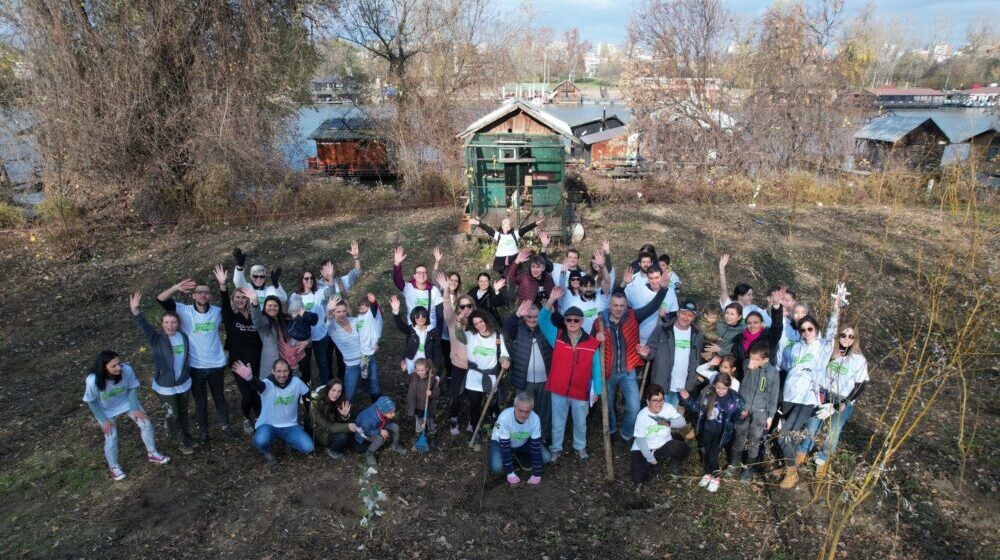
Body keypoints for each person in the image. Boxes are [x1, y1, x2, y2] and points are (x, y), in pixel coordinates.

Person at [591, 276, 669, 444]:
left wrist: (662, 289)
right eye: (615, 305)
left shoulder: (634, 316)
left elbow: (653, 306)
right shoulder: (599, 322)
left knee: (634, 408)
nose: (619, 309)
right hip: (608, 371)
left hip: (628, 371)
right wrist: (596, 339)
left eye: (622, 306)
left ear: (626, 306)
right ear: (609, 306)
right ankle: (611, 429)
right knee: (608, 405)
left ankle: (626, 434)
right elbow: (590, 346)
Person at [156, 275, 232, 443]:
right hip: (196, 366)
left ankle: (226, 428)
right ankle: (204, 432)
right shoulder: (184, 311)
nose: (202, 295)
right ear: (193, 296)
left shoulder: (217, 312)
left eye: (206, 292)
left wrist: (222, 285)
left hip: (216, 364)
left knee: (219, 397)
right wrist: (176, 287)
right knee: (201, 401)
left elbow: (229, 311)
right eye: (199, 292)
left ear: (210, 296)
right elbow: (160, 299)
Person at [776, 300, 840, 489]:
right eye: (802, 330)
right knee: (791, 437)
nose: (806, 333)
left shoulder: (822, 347)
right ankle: (789, 464)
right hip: (789, 395)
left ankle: (792, 472)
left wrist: (836, 311)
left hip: (806, 398)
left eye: (809, 329)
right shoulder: (795, 347)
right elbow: (788, 367)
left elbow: (831, 333)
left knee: (784, 436)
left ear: (816, 329)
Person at [84, 351, 170, 481]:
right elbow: (91, 401)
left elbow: (132, 388)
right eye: (113, 366)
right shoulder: (93, 381)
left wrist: (135, 408)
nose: (118, 368)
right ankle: (113, 467)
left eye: (119, 364)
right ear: (104, 368)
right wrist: (104, 420)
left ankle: (152, 453)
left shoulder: (127, 370)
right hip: (104, 409)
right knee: (111, 436)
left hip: (126, 402)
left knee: (145, 423)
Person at [538, 288, 603, 462]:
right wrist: (551, 300)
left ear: (582, 322)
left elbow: (596, 368)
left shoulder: (592, 343)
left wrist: (597, 390)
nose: (572, 322)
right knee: (557, 423)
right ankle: (556, 448)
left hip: (581, 390)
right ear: (565, 322)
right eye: (569, 320)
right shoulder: (557, 337)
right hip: (558, 388)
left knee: (580, 422)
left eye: (576, 320)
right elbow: (542, 320)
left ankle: (580, 447)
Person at [130, 291, 195, 455]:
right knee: (172, 414)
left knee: (183, 411)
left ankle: (187, 437)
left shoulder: (184, 337)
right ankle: (178, 440)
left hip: (183, 383)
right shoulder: (157, 339)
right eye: (166, 322)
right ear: (162, 324)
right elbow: (144, 325)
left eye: (173, 322)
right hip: (165, 386)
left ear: (178, 324)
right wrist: (136, 310)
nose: (170, 325)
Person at [809, 326, 869, 479]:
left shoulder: (859, 360)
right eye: (843, 335)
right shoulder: (829, 351)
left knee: (832, 432)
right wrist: (830, 359)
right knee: (812, 426)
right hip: (823, 394)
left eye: (851, 336)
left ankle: (822, 461)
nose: (846, 339)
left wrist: (845, 402)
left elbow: (860, 385)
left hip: (843, 398)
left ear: (855, 339)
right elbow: (816, 370)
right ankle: (801, 454)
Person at [233, 359, 312, 466]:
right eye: (278, 371)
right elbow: (259, 385)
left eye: (285, 371)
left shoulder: (296, 382)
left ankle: (288, 440)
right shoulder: (267, 384)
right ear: (273, 371)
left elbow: (309, 395)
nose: (282, 375)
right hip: (268, 425)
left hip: (290, 426)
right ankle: (267, 452)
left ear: (289, 371)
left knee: (308, 447)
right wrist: (250, 378)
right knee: (260, 440)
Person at [216, 266, 263, 435]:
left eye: (243, 297)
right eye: (237, 297)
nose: (241, 300)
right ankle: (246, 417)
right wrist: (223, 286)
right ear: (233, 299)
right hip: (239, 363)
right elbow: (224, 304)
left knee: (257, 391)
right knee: (247, 394)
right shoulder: (231, 318)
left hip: (256, 361)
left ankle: (259, 416)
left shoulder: (253, 317)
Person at [680, 372, 744, 493]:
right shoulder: (708, 395)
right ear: (714, 385)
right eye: (718, 387)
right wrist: (688, 399)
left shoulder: (734, 400)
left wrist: (742, 416)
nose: (720, 391)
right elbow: (697, 408)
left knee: (713, 456)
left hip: (720, 435)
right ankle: (707, 473)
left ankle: (716, 478)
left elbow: (737, 419)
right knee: (705, 453)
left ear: (728, 387)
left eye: (724, 388)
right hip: (707, 431)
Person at [730, 341, 780, 482]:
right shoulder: (747, 364)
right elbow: (745, 371)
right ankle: (734, 463)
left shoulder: (773, 372)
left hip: (761, 411)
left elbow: (774, 395)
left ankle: (749, 468)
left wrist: (770, 415)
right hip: (744, 407)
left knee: (755, 439)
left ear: (765, 359)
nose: (752, 361)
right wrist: (749, 366)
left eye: (756, 359)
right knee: (740, 434)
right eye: (751, 357)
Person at [504, 300, 554, 443]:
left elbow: (560, 325)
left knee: (545, 410)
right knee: (523, 410)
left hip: (545, 379)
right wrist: (517, 314)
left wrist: (550, 307)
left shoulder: (545, 328)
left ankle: (544, 436)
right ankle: (524, 437)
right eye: (529, 317)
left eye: (535, 316)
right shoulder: (518, 329)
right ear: (524, 317)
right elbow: (507, 326)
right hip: (524, 380)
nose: (533, 320)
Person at [639, 300, 704, 407]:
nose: (686, 317)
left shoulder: (697, 334)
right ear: (678, 313)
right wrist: (646, 353)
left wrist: (691, 382)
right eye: (683, 313)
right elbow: (651, 351)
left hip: (683, 387)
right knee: (659, 417)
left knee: (670, 418)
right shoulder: (663, 329)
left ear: (693, 318)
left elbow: (695, 359)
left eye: (690, 315)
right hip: (662, 384)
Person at [316, 240, 363, 381]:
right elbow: (328, 296)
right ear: (321, 272)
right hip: (327, 326)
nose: (329, 271)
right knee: (327, 357)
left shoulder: (341, 282)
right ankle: (329, 384)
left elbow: (357, 273)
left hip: (343, 324)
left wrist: (356, 257)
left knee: (342, 355)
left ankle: (343, 381)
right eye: (326, 269)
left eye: (331, 268)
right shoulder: (317, 287)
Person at [244, 289, 309, 382]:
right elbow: (256, 320)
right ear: (265, 307)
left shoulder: (287, 319)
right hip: (279, 363)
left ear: (279, 308)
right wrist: (255, 303)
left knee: (302, 383)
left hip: (299, 358)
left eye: (275, 306)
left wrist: (307, 341)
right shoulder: (264, 322)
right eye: (269, 305)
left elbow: (305, 330)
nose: (272, 308)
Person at [325, 295, 381, 404]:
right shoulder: (332, 328)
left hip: (368, 358)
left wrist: (375, 344)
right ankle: (341, 416)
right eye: (338, 312)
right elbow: (329, 320)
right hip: (352, 365)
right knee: (348, 394)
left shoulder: (355, 320)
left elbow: (369, 330)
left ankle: (380, 412)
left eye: (344, 311)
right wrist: (328, 310)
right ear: (334, 312)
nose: (342, 314)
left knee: (374, 387)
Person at [630, 384, 689, 484]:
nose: (658, 403)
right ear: (648, 402)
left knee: (684, 448)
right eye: (654, 400)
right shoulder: (642, 415)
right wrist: (650, 458)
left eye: (661, 400)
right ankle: (652, 461)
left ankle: (674, 461)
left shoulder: (668, 407)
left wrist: (666, 422)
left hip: (663, 444)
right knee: (638, 479)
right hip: (644, 447)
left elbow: (682, 422)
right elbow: (640, 440)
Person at [463, 310, 511, 434]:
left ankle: (497, 430)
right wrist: (458, 319)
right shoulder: (469, 335)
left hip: (491, 377)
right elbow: (457, 334)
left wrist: (505, 361)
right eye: (476, 324)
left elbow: (503, 354)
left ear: (486, 320)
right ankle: (475, 430)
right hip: (474, 377)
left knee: (493, 405)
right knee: (474, 406)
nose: (479, 325)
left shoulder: (497, 337)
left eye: (481, 322)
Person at [440, 273, 476, 435]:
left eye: (469, 306)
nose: (466, 309)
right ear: (458, 308)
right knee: (457, 396)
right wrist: (446, 290)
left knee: (474, 397)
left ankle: (472, 420)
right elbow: (447, 304)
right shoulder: (452, 320)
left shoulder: (478, 322)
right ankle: (453, 419)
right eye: (462, 306)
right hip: (458, 365)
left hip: (475, 366)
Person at [488, 392, 551, 484]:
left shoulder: (535, 419)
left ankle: (518, 455)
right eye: (520, 410)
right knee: (496, 467)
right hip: (501, 442)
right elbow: (505, 447)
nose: (523, 414)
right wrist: (510, 473)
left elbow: (535, 447)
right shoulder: (504, 418)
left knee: (546, 457)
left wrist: (537, 474)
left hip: (523, 442)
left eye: (527, 412)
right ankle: (511, 457)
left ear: (531, 410)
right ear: (515, 407)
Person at [392, 244, 443, 330]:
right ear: (414, 276)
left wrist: (438, 334)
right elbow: (398, 281)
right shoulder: (408, 288)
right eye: (419, 273)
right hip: (413, 332)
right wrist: (397, 264)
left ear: (427, 275)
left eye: (424, 273)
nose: (421, 275)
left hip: (430, 333)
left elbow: (440, 316)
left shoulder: (434, 291)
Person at [468, 216, 543, 274]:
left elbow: (526, 229)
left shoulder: (515, 234)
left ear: (510, 227)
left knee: (515, 274)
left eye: (508, 226)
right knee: (501, 276)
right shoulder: (498, 235)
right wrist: (478, 223)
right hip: (500, 260)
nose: (507, 228)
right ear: (502, 226)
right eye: (505, 226)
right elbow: (488, 229)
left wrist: (535, 224)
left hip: (513, 258)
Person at [623, 266, 678, 344]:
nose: (654, 281)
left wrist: (665, 317)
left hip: (660, 341)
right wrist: (623, 284)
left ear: (661, 277)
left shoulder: (671, 293)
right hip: (638, 341)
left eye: (656, 277)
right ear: (647, 278)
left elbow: (675, 317)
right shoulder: (637, 291)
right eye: (651, 278)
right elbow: (620, 306)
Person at [390, 295, 442, 375]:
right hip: (411, 363)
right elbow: (400, 325)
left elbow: (437, 353)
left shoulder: (433, 332)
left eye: (423, 316)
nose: (420, 318)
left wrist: (436, 373)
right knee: (411, 384)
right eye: (417, 316)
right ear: (413, 318)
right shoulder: (411, 330)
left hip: (425, 365)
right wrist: (396, 311)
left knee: (424, 385)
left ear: (427, 317)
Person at [718, 254, 770, 327]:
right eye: (749, 295)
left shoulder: (754, 309)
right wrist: (721, 269)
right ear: (740, 296)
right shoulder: (728, 304)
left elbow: (769, 323)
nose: (752, 297)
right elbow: (723, 289)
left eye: (752, 295)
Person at [310, 379, 356, 459]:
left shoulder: (339, 400)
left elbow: (339, 421)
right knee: (343, 437)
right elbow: (327, 426)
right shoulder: (315, 402)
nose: (336, 394)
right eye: (333, 390)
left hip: (332, 427)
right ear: (328, 389)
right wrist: (347, 426)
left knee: (350, 434)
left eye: (339, 391)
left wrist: (344, 416)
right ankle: (330, 450)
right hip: (320, 431)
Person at [354, 396, 407, 466]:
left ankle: (394, 446)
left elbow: (385, 419)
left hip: (379, 424)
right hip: (364, 433)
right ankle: (369, 453)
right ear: (383, 411)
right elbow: (366, 431)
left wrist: (383, 428)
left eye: (394, 411)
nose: (393, 415)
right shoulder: (369, 419)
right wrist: (380, 431)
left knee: (396, 427)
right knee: (380, 439)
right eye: (391, 413)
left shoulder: (381, 408)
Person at [405, 358, 441, 434]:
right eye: (418, 370)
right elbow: (407, 381)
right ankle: (419, 426)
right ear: (415, 369)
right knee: (418, 417)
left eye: (422, 370)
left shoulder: (431, 379)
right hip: (416, 404)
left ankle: (431, 427)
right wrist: (404, 371)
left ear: (427, 369)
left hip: (427, 404)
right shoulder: (413, 376)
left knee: (429, 417)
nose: (420, 372)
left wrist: (431, 393)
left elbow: (437, 392)